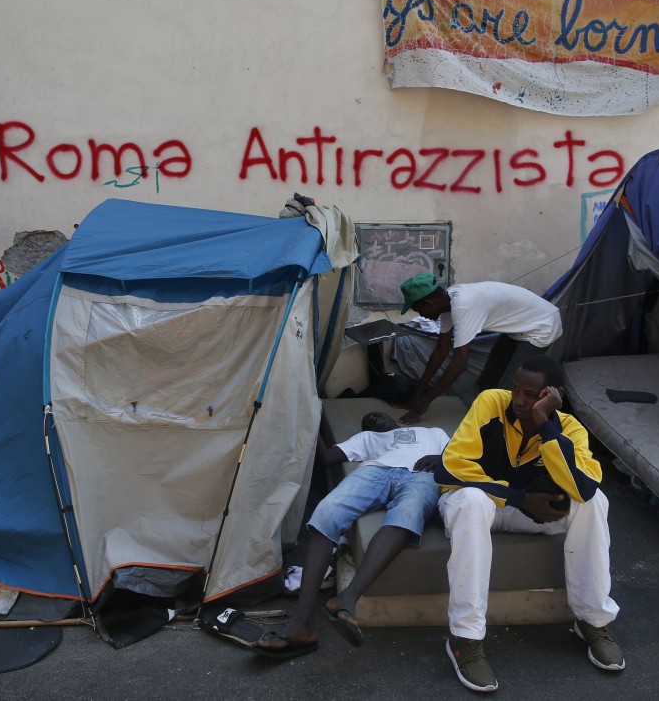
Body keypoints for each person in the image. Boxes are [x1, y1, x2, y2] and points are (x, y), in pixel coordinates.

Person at [436, 355, 623, 691]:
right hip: (477, 509)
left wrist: (544, 423)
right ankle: (465, 637)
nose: (519, 400)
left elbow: (582, 487)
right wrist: (520, 498)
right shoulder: (490, 402)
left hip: (525, 515)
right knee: (473, 500)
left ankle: (592, 620)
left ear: (553, 395)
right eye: (516, 391)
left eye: (532, 395)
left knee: (594, 501)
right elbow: (448, 469)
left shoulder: (569, 429)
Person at [253, 411, 449, 658]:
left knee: (408, 513)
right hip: (375, 471)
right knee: (327, 510)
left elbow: (462, 453)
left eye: (376, 415)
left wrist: (442, 459)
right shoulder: (366, 438)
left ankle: (348, 598)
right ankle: (301, 624)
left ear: (393, 417)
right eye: (367, 420)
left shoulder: (433, 432)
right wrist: (309, 412)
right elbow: (324, 459)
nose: (373, 418)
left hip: (422, 475)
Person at [397, 273, 562, 423]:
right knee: (487, 381)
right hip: (519, 328)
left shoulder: (462, 305)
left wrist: (426, 401)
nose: (421, 315)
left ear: (429, 303)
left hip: (541, 326)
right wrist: (418, 393)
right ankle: (487, 418)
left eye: (419, 310)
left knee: (507, 391)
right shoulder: (448, 303)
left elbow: (460, 364)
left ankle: (507, 428)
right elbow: (441, 350)